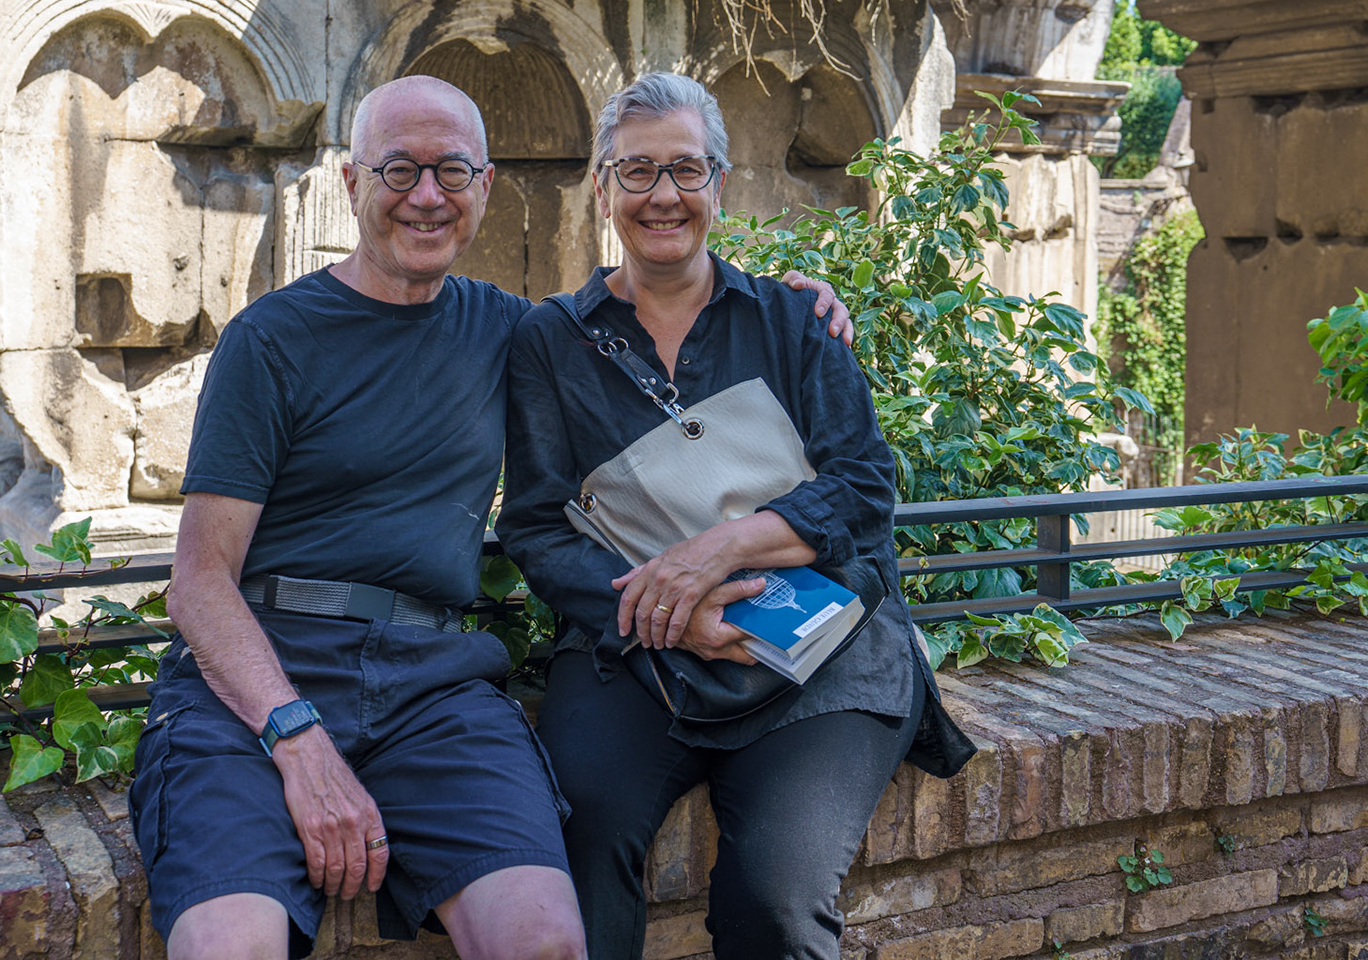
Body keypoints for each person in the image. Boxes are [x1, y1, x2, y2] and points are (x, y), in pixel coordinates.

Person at [130, 75, 851, 960]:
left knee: (546, 942)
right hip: (262, 679)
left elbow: (663, 306)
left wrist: (786, 301)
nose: (425, 196)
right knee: (227, 947)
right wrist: (295, 735)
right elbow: (199, 581)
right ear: (352, 184)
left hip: (432, 684)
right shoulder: (271, 340)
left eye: (450, 171)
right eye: (398, 170)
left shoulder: (519, 333)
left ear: (486, 187)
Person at [496, 72, 976, 960]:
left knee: (776, 902)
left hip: (819, 649)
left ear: (720, 183)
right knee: (576, 840)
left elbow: (865, 487)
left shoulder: (794, 318)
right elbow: (534, 525)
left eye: (686, 169)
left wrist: (717, 550)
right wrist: (673, 608)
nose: (663, 196)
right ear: (601, 187)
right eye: (637, 172)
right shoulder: (550, 341)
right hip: (635, 646)